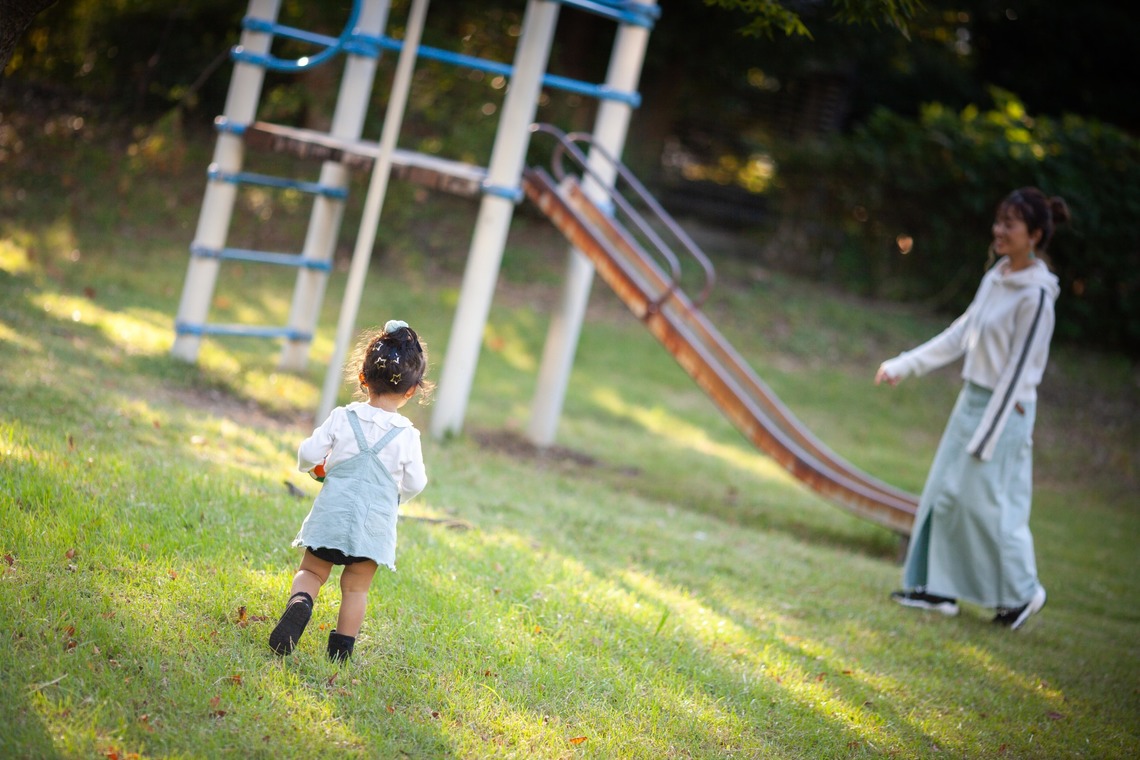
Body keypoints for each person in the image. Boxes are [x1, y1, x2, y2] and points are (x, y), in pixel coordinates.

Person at [875, 187, 1069, 631]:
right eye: (998, 221)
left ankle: (1024, 594)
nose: (999, 231)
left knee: (988, 509)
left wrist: (986, 436)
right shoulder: (997, 276)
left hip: (1006, 414)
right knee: (942, 494)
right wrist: (905, 364)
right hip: (972, 400)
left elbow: (1018, 374)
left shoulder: (1037, 296)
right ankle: (935, 590)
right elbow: (964, 332)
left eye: (1010, 224)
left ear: (1035, 235)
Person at [270, 320, 432, 661]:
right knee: (356, 589)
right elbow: (417, 482)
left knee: (312, 572)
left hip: (333, 513)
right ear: (412, 390)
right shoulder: (407, 435)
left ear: (362, 377)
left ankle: (301, 602)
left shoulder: (343, 417)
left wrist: (314, 467)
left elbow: (310, 454)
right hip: (372, 527)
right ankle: (340, 653)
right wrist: (396, 497)